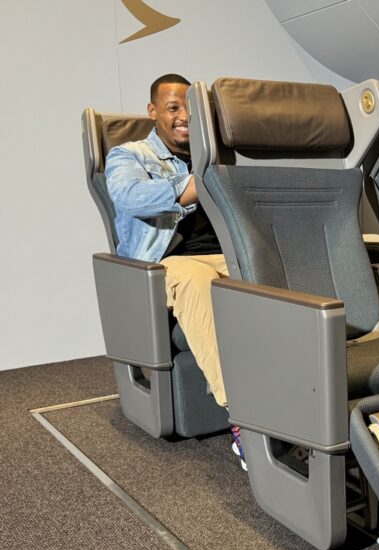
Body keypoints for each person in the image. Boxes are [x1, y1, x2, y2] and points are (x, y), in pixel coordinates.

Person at [105, 73, 245, 470]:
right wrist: (196, 184)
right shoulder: (129, 155)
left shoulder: (214, 154)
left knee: (276, 283)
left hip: (231, 256)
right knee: (197, 283)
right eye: (172, 108)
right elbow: (130, 196)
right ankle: (245, 419)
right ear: (153, 112)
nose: (183, 117)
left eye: (190, 109)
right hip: (170, 261)